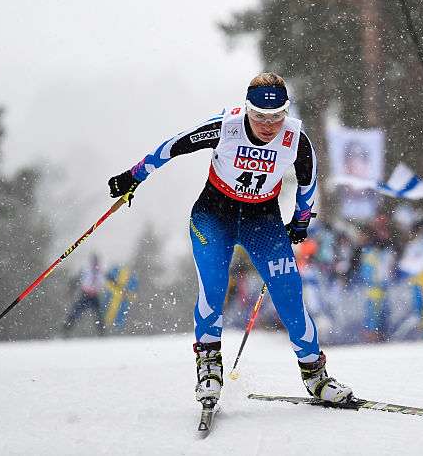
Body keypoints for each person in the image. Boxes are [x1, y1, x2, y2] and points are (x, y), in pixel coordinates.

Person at [106, 72, 353, 411]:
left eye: (277, 116)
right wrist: (134, 176)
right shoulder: (225, 126)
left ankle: (316, 375)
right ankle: (209, 365)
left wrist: (300, 220)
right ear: (247, 108)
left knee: (289, 294)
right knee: (214, 286)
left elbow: (308, 183)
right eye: (260, 116)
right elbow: (173, 146)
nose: (268, 124)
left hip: (261, 221)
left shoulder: (297, 139)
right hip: (213, 216)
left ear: (286, 111)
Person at [63, 254, 105, 336]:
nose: (95, 264)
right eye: (94, 262)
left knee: (99, 314)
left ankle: (102, 333)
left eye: (96, 262)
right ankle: (66, 329)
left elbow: (109, 281)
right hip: (85, 295)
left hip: (95, 295)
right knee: (76, 311)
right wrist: (70, 290)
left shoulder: (101, 271)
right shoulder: (86, 270)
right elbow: (76, 280)